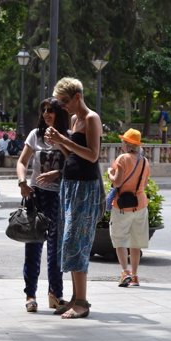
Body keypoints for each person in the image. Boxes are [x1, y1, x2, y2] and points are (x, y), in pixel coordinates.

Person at [45, 77, 103, 320]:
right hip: (69, 184)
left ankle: (82, 301)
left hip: (86, 187)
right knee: (68, 242)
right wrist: (58, 144)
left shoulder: (91, 118)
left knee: (76, 241)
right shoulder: (73, 119)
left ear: (78, 96)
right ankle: (74, 296)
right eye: (61, 102)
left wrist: (63, 140)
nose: (63, 106)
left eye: (65, 101)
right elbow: (72, 154)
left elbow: (92, 155)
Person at [16, 98, 70, 313]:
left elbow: (74, 163)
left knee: (56, 248)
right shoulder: (35, 135)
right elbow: (22, 162)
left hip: (58, 197)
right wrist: (22, 183)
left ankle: (55, 294)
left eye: (51, 110)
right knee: (33, 245)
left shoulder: (65, 136)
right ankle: (30, 295)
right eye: (44, 110)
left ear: (59, 113)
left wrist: (58, 169)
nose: (47, 114)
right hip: (36, 195)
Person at [108, 128, 150, 288]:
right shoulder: (145, 161)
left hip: (122, 206)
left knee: (119, 240)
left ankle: (124, 272)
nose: (121, 144)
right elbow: (144, 184)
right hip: (140, 204)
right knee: (135, 242)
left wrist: (109, 173)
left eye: (123, 141)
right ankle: (135, 276)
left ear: (127, 143)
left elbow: (116, 182)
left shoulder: (122, 159)